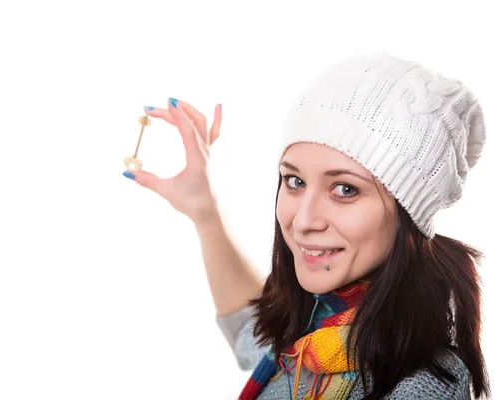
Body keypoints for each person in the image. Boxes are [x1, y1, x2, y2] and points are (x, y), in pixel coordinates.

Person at [123, 53, 490, 399]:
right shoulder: (314, 326)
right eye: (295, 181)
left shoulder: (422, 385)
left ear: (408, 213)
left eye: (344, 189)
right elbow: (249, 331)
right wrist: (204, 210)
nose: (302, 221)